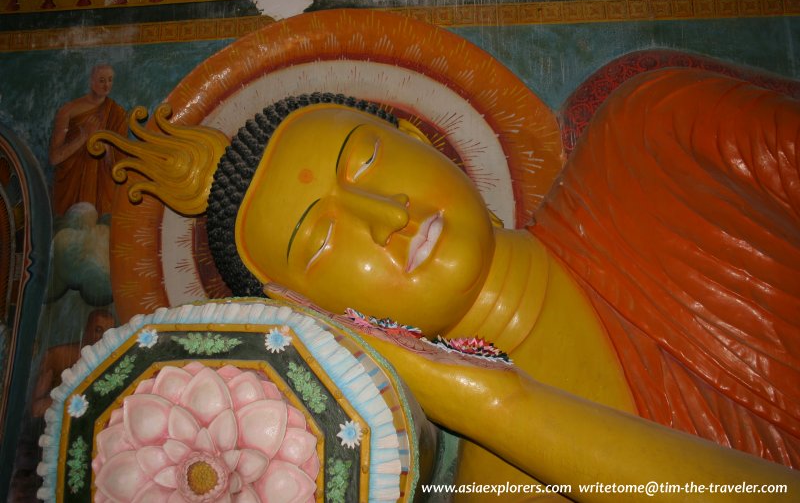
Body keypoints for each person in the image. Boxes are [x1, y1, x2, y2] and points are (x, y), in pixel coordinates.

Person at [97, 72, 800, 500]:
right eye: (321, 241)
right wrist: (499, 409)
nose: (388, 219)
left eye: (368, 158)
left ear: (419, 136)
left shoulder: (656, 133)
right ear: (316, 317)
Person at [49, 64, 126, 217]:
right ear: (91, 82)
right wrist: (83, 137)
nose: (107, 85)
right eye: (102, 80)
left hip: (102, 187)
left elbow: (120, 163)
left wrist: (106, 148)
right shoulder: (68, 111)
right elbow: (54, 158)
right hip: (71, 186)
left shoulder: (117, 113)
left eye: (110, 80)